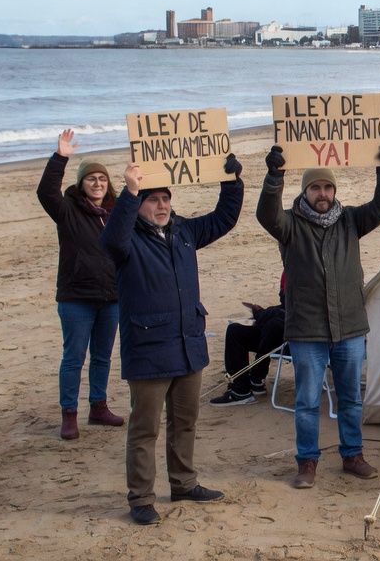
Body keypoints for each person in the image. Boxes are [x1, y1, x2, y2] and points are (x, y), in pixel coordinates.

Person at [256, 111, 380, 490]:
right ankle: (307, 463)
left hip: (349, 327)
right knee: (305, 402)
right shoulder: (290, 225)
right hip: (307, 330)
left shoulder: (350, 220)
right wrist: (275, 175)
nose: (323, 194)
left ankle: (352, 455)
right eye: (316, 188)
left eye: (328, 188)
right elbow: (265, 215)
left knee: (351, 398)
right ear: (305, 192)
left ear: (335, 192)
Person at [100, 155, 244, 525]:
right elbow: (111, 238)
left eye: (165, 198)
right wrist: (130, 193)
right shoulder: (127, 240)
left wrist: (231, 181)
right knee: (145, 428)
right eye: (153, 200)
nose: (162, 205)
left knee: (185, 422)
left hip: (187, 343)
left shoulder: (183, 231)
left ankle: (183, 482)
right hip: (148, 348)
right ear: (140, 205)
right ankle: (142, 499)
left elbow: (223, 218)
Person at [37, 129, 124, 440]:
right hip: (76, 297)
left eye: (102, 179)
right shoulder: (68, 210)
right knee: (74, 357)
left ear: (108, 184)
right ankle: (69, 414)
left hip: (111, 297)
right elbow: (46, 192)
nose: (97, 183)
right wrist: (60, 157)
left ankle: (98, 407)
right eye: (91, 179)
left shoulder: (117, 213)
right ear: (82, 183)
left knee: (102, 356)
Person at [209, 277, 287, 406]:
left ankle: (253, 380)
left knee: (272, 326)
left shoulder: (308, 270)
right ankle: (245, 387)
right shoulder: (292, 267)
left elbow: (294, 310)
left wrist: (261, 313)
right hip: (280, 331)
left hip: (295, 338)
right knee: (236, 331)